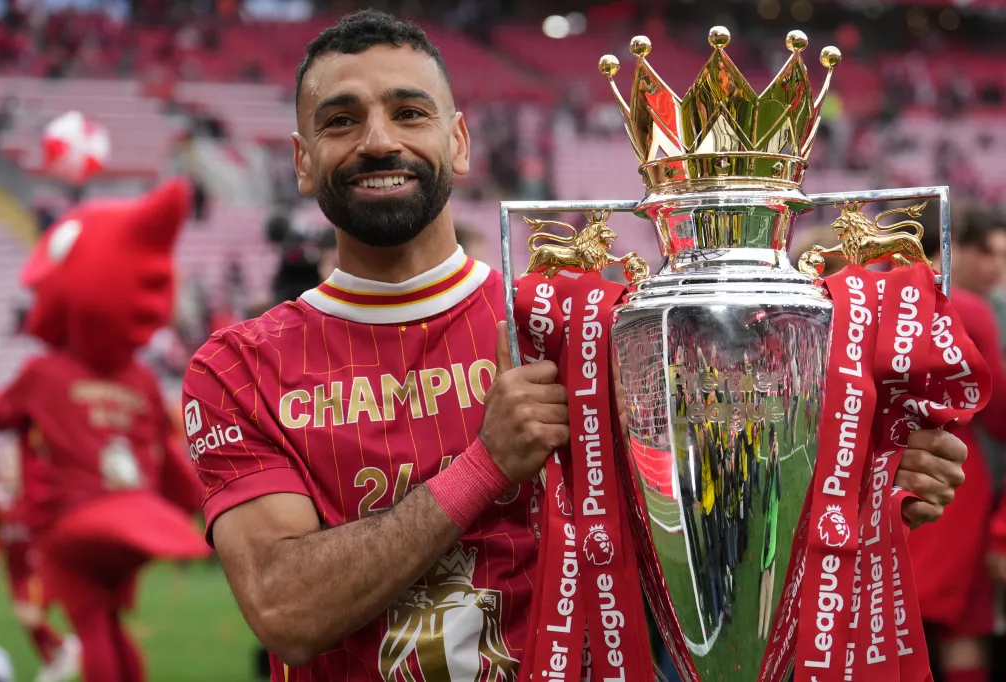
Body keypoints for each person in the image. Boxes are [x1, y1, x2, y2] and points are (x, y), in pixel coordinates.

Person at [182, 10, 970, 680]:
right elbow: (285, 610)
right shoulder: (238, 368)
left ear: (460, 142)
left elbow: (712, 533)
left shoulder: (585, 328)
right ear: (301, 160)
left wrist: (865, 476)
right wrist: (487, 465)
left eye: (409, 113)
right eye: (341, 120)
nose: (378, 140)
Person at [0, 179, 211, 682]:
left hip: (74, 520)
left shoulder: (44, 373)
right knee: (107, 621)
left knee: (91, 625)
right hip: (135, 517)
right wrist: (202, 506)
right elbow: (169, 457)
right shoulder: (143, 380)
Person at [912, 205, 1006, 682]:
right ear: (954, 249)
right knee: (961, 627)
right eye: (988, 253)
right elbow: (999, 411)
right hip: (953, 479)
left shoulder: (874, 297)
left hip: (885, 475)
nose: (997, 267)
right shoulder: (970, 309)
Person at [0, 442, 79, 682]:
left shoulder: (34, 495)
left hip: (35, 566)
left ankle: (65, 647)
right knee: (26, 619)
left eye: (12, 463)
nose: (6, 469)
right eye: (3, 463)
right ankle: (53, 661)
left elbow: (49, 524)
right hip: (14, 569)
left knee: (28, 613)